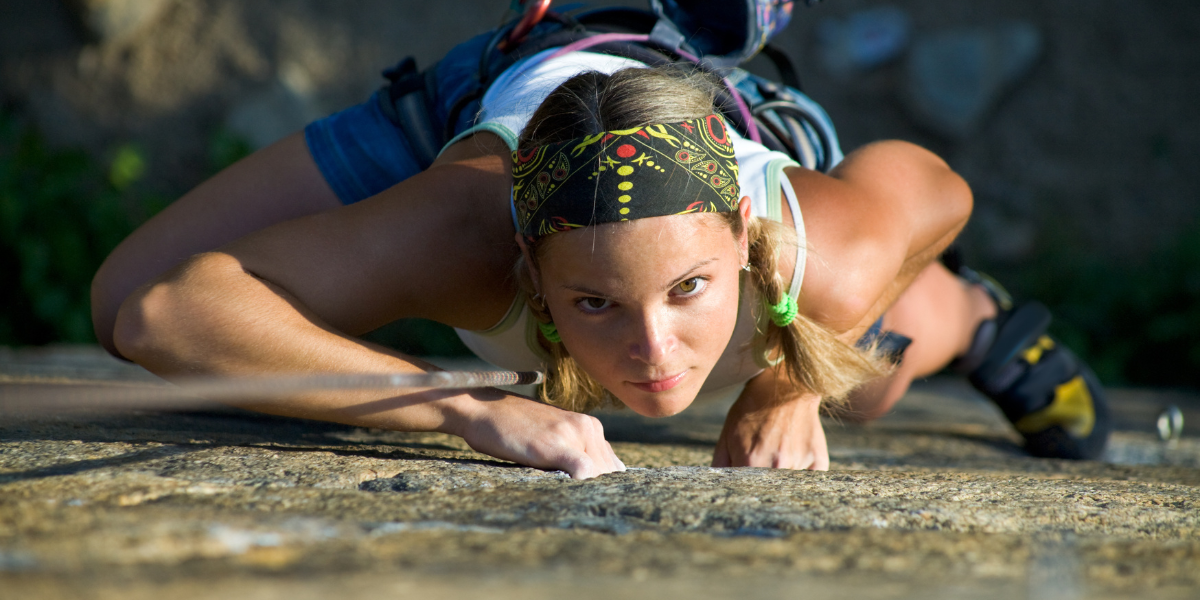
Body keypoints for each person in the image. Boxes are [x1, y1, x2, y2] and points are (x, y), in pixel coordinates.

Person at [91, 7, 1109, 479]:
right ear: (527, 270)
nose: (655, 357)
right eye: (592, 305)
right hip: (490, 93)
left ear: (745, 234)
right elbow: (160, 310)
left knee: (866, 372)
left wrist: (789, 385)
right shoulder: (461, 236)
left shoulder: (813, 251)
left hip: (709, 118)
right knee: (119, 295)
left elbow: (938, 190)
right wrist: (456, 408)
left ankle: (978, 322)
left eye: (687, 290)